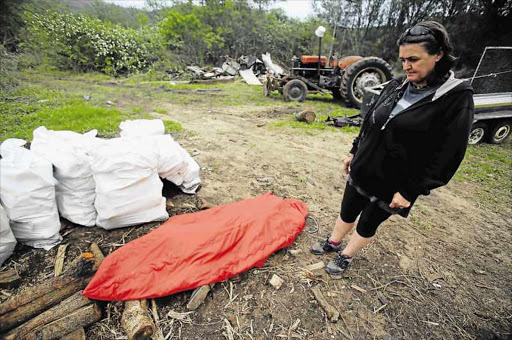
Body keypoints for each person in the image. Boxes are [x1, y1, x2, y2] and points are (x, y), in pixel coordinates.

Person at [311, 21, 474, 278]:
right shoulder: (397, 85)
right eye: (402, 59)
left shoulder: (455, 98)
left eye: (413, 59)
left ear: (438, 55)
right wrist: (354, 151)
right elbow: (371, 122)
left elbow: (448, 154)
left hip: (396, 182)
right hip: (364, 166)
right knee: (347, 210)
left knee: (368, 222)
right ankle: (333, 242)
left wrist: (411, 190)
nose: (406, 65)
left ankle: (346, 255)